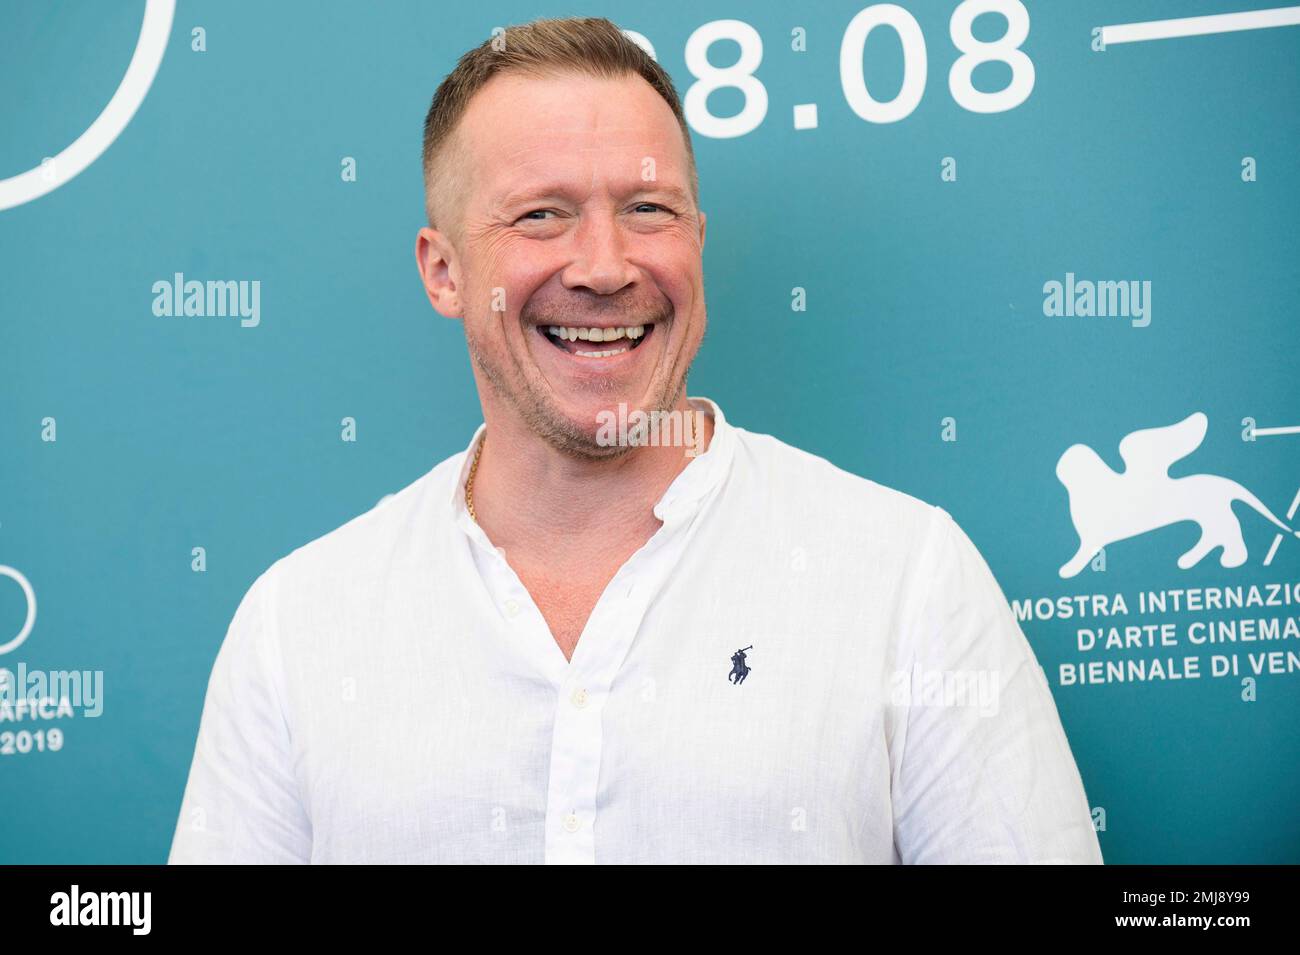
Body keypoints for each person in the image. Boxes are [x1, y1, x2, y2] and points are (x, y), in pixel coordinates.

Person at [167, 16, 1103, 864]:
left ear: (697, 238)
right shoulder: (296, 628)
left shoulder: (907, 580)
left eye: (648, 210)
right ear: (444, 271)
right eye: (542, 213)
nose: (606, 266)